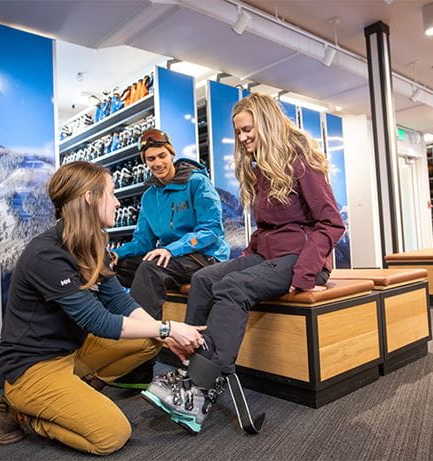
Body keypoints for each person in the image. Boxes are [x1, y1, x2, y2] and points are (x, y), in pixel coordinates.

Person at [141, 93, 345, 434]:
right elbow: (266, 227)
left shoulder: (301, 161)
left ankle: (197, 388)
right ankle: (193, 366)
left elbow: (331, 223)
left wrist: (306, 273)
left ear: (267, 124)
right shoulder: (260, 166)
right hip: (268, 255)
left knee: (233, 287)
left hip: (301, 258)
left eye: (248, 130)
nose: (242, 137)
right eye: (238, 132)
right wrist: (248, 257)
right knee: (205, 278)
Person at [0, 161, 206, 455]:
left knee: (150, 339)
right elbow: (99, 321)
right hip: (32, 366)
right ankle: (22, 413)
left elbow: (119, 301)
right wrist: (169, 329)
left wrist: (164, 335)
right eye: (111, 193)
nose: (117, 202)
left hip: (72, 351)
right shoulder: (46, 254)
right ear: (90, 198)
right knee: (112, 435)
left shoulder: (92, 246)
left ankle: (77, 395)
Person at [112, 128, 230, 320]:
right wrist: (116, 254)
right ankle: (111, 326)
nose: (158, 163)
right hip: (173, 260)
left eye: (162, 155)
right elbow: (143, 241)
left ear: (172, 154)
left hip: (205, 256)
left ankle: (147, 332)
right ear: (145, 162)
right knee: (116, 267)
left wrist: (171, 249)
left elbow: (211, 230)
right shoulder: (149, 196)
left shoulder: (197, 183)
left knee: (151, 268)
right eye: (151, 159)